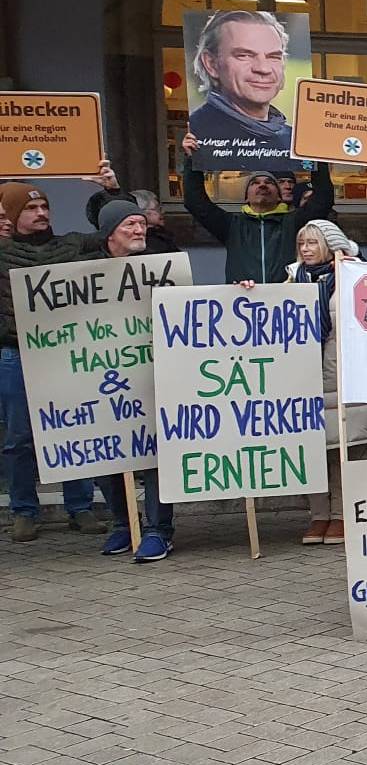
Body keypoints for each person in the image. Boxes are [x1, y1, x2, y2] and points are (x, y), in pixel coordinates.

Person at [0, 181, 110, 541]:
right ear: (13, 216)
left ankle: (79, 507)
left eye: (44, 207)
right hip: (15, 353)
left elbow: (114, 232)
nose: (41, 213)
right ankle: (24, 511)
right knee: (19, 437)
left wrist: (110, 192)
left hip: (64, 353)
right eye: (31, 209)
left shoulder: (71, 246)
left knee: (72, 428)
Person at [259, 218, 367, 545]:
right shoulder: (292, 278)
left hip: (344, 375)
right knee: (314, 450)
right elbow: (268, 313)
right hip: (305, 377)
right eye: (302, 244)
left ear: (330, 245)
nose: (306, 250)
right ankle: (318, 515)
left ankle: (342, 516)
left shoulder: (354, 275)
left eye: (312, 243)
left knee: (345, 450)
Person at [90, 200, 175, 561]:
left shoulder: (162, 265)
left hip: (151, 373)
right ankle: (123, 525)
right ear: (110, 233)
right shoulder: (86, 275)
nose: (139, 230)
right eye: (130, 225)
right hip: (103, 376)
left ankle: (159, 530)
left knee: (154, 451)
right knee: (107, 451)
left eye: (142, 223)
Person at [179, 131, 334, 283]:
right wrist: (192, 159)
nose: (262, 185)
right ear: (246, 197)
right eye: (255, 183)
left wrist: (317, 157)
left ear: (279, 196)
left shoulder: (293, 223)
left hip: (287, 302)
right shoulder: (232, 226)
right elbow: (195, 202)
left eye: (269, 182)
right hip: (245, 303)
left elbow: (322, 199)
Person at [187, 9, 294, 167]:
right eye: (244, 55)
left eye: (273, 57)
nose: (263, 68)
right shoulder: (199, 135)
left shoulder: (294, 140)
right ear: (211, 63)